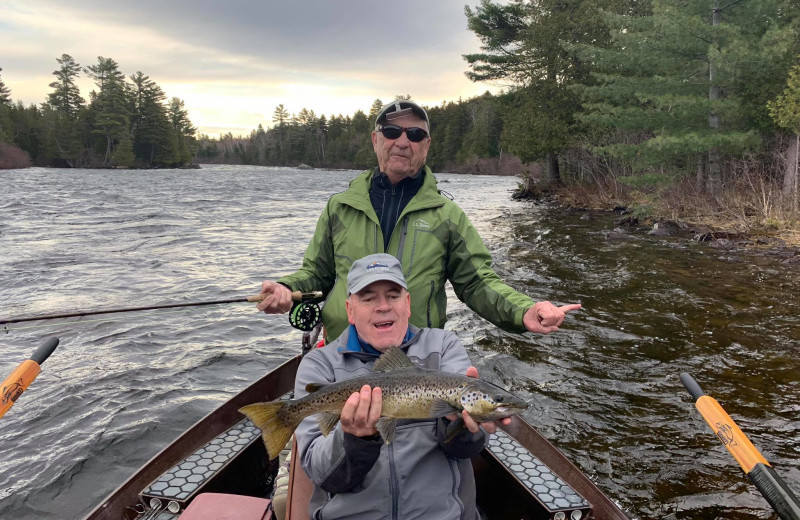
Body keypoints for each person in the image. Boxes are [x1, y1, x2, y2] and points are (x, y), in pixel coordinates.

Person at [258, 98, 580, 343]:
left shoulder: (448, 217)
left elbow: (479, 283)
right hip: (343, 354)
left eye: (414, 134)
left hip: (416, 359)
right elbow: (316, 274)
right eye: (391, 131)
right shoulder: (338, 208)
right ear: (375, 140)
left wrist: (523, 310)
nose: (402, 141)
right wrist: (287, 288)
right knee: (319, 432)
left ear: (426, 146)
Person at [293, 253, 507, 520]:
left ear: (407, 304)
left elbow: (467, 449)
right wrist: (355, 440)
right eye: (368, 298)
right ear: (349, 310)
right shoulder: (319, 364)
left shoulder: (444, 347)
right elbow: (321, 473)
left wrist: (459, 425)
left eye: (393, 296)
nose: (383, 306)